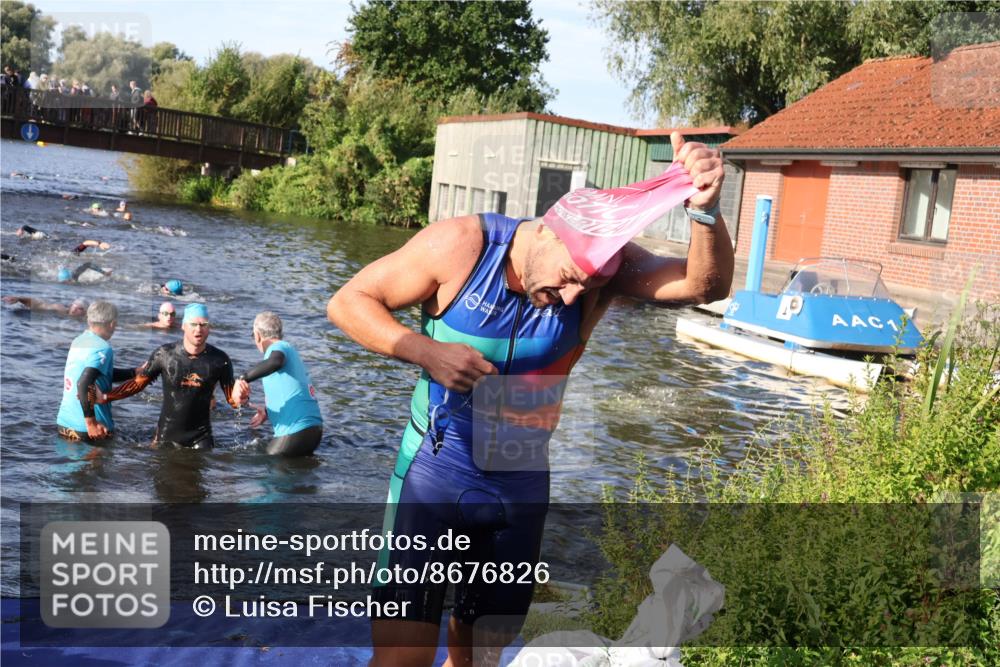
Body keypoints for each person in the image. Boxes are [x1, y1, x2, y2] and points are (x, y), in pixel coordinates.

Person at [326, 132, 734, 666]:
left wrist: (705, 210)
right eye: (568, 278)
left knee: (478, 658)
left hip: (518, 488)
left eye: (586, 288)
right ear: (545, 232)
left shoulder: (600, 274)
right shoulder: (460, 247)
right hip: (433, 475)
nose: (571, 297)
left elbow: (705, 286)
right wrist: (426, 351)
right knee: (403, 659)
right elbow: (348, 301)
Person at [100, 303, 240, 449]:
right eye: (193, 324)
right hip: (167, 434)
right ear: (183, 326)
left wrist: (242, 396)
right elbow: (137, 384)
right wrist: (105, 397)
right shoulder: (165, 354)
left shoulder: (219, 360)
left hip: (201, 437)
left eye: (203, 324)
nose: (198, 329)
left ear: (209, 328)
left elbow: (233, 400)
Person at [231, 311, 323, 456]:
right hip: (313, 430)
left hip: (296, 431)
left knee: (269, 471)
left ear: (257, 336)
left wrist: (242, 378)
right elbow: (292, 388)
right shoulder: (289, 350)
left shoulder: (277, 348)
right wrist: (268, 412)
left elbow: (275, 361)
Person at [55, 301, 136, 442]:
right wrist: (91, 423)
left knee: (70, 463)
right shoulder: (103, 348)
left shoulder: (78, 341)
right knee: (100, 463)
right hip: (92, 430)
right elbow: (83, 383)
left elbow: (101, 374)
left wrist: (134, 372)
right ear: (112, 324)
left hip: (65, 424)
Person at [3, 295, 87, 318]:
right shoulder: (59, 309)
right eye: (74, 306)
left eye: (80, 308)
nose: (75, 309)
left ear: (85, 312)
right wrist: (19, 299)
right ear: (70, 306)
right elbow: (39, 304)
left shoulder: (85, 318)